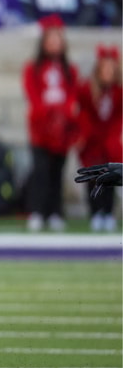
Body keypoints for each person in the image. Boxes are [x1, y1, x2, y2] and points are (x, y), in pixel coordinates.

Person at [22, 14, 79, 232]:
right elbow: (33, 96)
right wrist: (49, 113)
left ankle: (55, 211)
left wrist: (63, 115)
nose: (54, 43)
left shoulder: (69, 69)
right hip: (41, 127)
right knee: (41, 170)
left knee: (58, 171)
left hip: (62, 128)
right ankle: (36, 211)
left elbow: (73, 96)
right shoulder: (33, 68)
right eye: (50, 38)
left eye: (58, 38)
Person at [74, 44, 121, 231]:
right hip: (92, 140)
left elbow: (117, 119)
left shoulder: (119, 92)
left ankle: (108, 212)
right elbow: (81, 112)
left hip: (109, 139)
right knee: (93, 177)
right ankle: (95, 212)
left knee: (110, 177)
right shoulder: (88, 90)